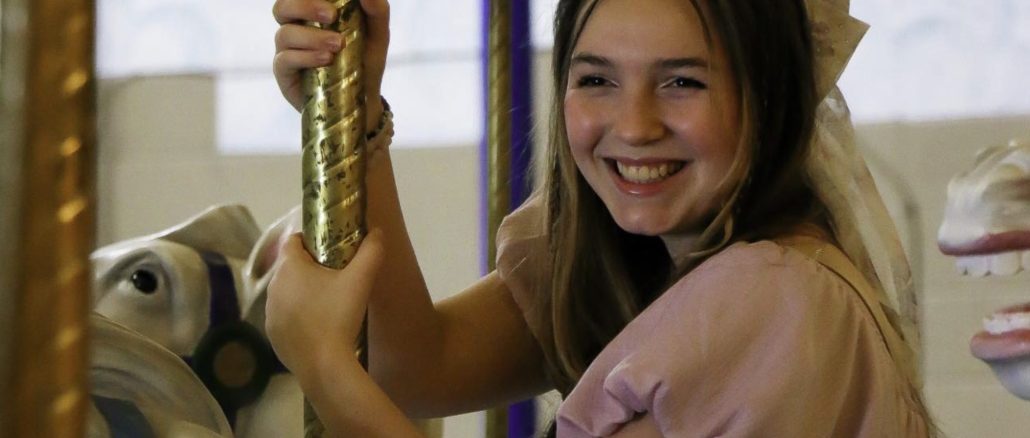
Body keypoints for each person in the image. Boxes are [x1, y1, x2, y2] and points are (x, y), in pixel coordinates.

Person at [265, 0, 938, 436]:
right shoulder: (637, 256)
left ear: (770, 98)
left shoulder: (771, 296)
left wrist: (324, 363)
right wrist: (354, 113)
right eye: (596, 80)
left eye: (683, 81)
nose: (634, 126)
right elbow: (416, 370)